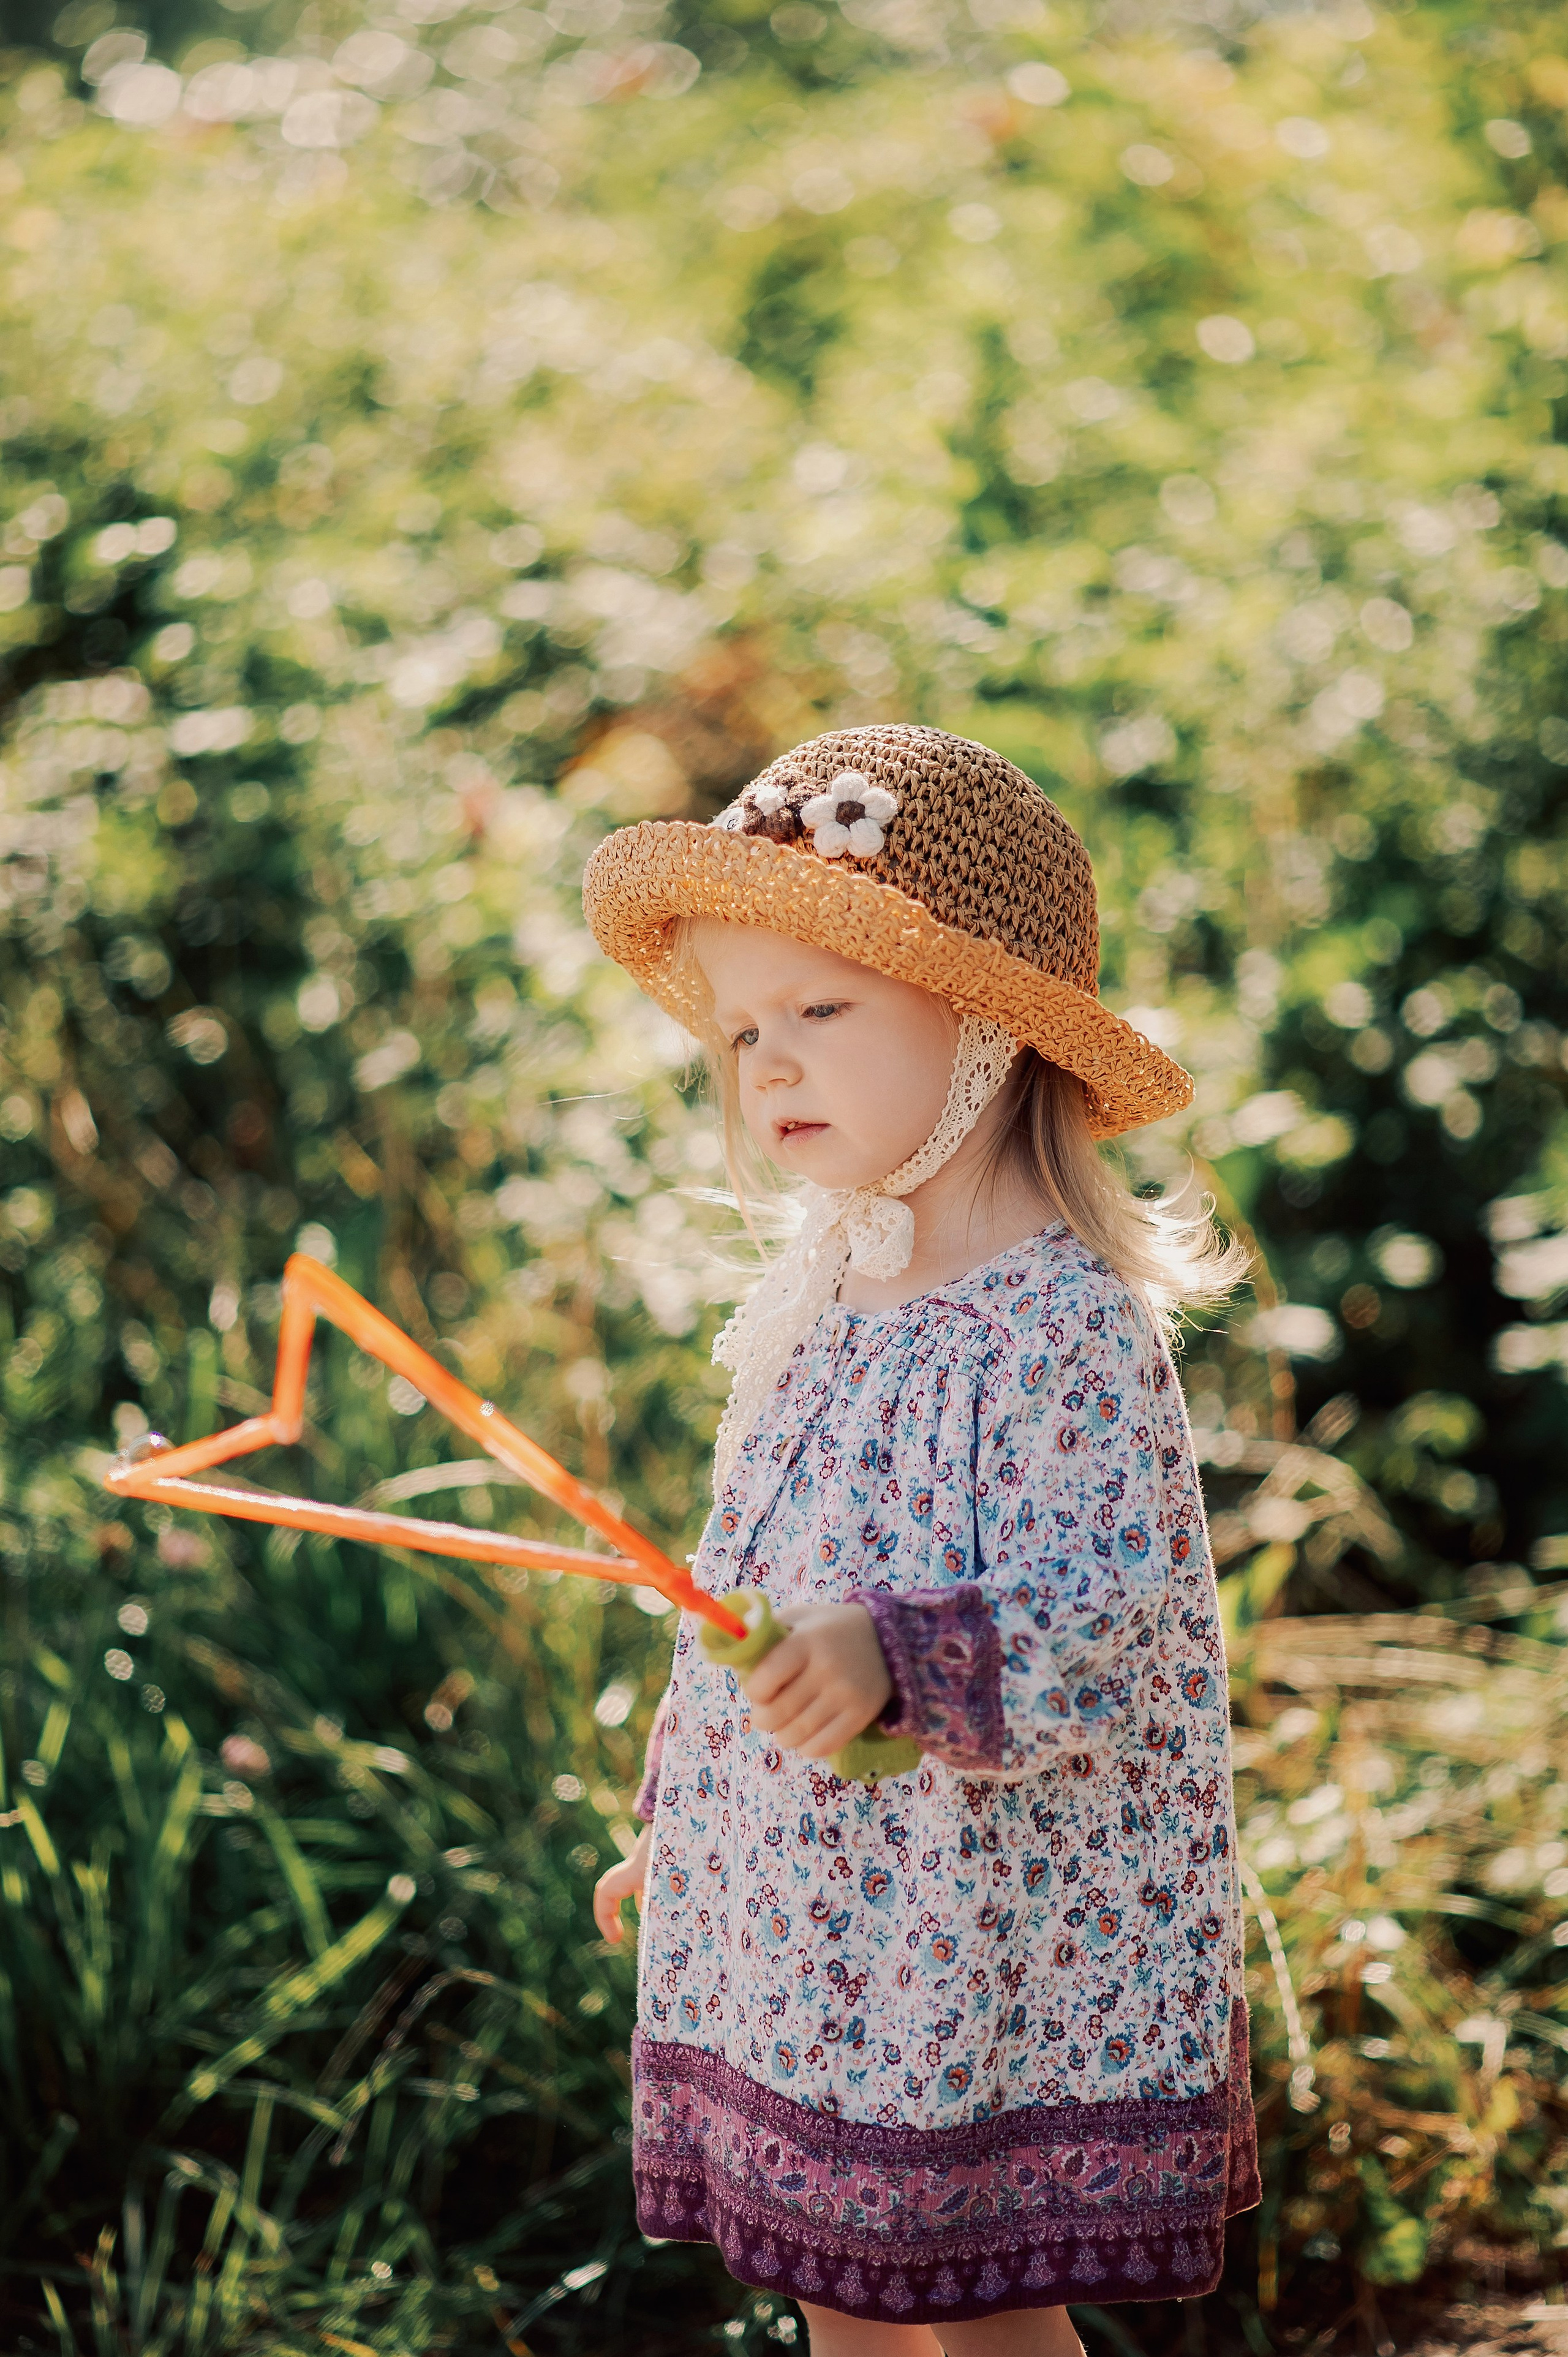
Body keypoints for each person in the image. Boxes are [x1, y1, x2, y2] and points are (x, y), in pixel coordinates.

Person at [581, 726, 1260, 2356]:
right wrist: (684, 1820)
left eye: (823, 1011)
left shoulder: (1062, 1332)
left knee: (990, 2319)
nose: (771, 1066)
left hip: (984, 1943)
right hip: (812, 1924)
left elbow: (1102, 1630)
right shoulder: (821, 1306)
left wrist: (890, 1655)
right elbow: (732, 1600)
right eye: (746, 1030)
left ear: (988, 1030)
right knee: (841, 2298)